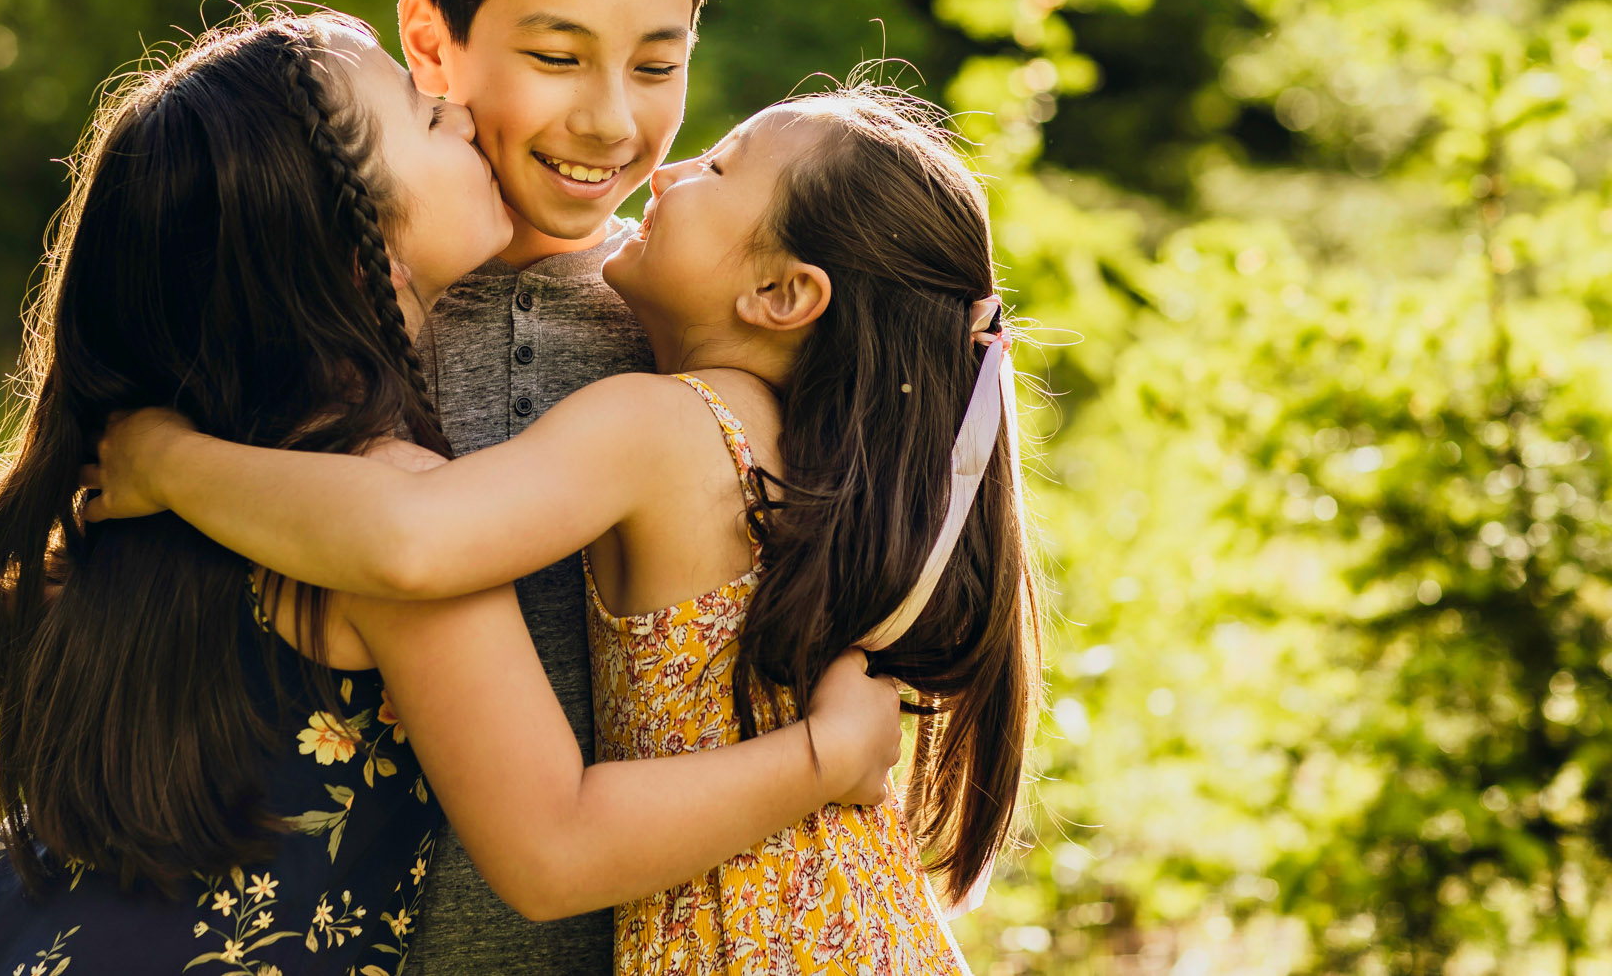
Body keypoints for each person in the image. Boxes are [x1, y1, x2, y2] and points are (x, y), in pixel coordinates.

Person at [0, 10, 907, 976]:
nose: (456, 110)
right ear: (365, 255)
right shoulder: (376, 513)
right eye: (423, 115)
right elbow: (553, 850)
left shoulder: (130, 484)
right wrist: (825, 755)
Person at [89, 87, 1046, 973]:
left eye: (716, 168)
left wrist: (162, 463)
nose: (667, 172)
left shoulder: (666, 425)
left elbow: (415, 537)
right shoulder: (813, 461)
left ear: (784, 295)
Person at [389, 0, 722, 974]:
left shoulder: (686, 324)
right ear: (431, 44)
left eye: (655, 64)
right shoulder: (316, 308)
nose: (610, 121)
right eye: (554, 55)